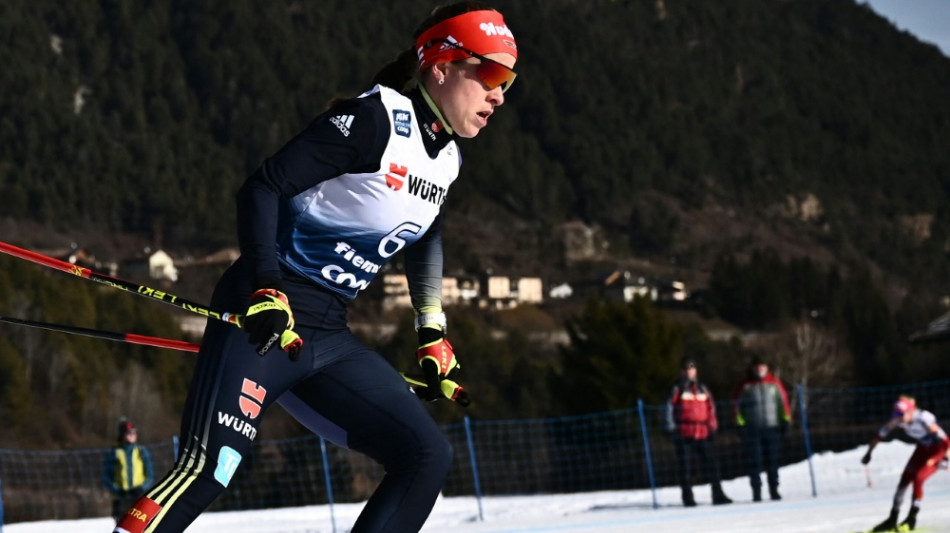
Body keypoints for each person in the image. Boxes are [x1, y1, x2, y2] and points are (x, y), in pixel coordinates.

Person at [111, 3, 517, 533]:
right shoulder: (373, 121)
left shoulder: (448, 159)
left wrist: (432, 329)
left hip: (327, 332)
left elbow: (426, 232)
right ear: (440, 65)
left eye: (508, 79)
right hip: (265, 312)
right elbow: (263, 186)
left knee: (427, 456)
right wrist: (266, 288)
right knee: (208, 468)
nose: (499, 94)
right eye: (489, 73)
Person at [863, 395, 950, 532]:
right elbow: (879, 435)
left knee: (918, 478)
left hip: (937, 451)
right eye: (896, 413)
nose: (898, 417)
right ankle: (892, 518)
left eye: (900, 414)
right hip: (922, 450)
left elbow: (945, 440)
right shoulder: (898, 420)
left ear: (910, 412)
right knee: (904, 480)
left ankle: (911, 518)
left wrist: (944, 458)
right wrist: (869, 453)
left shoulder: (923, 418)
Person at [664, 357, 732, 507]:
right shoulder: (677, 389)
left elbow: (711, 408)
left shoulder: (703, 388)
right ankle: (688, 498)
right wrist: (670, 428)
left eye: (692, 368)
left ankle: (718, 494)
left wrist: (712, 426)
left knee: (712, 465)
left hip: (703, 431)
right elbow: (669, 408)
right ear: (682, 371)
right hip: (683, 432)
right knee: (685, 467)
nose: (690, 371)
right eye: (687, 368)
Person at [731, 356, 791, 502]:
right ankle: (756, 492)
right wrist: (740, 424)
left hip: (772, 427)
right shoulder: (745, 385)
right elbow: (737, 407)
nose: (759, 370)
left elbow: (783, 403)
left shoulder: (774, 383)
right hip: (752, 429)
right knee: (754, 462)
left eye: (762, 366)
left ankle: (774, 490)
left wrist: (786, 421)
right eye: (757, 367)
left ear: (767, 368)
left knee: (773, 461)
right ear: (752, 369)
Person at [103, 419, 154, 523]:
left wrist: (141, 488)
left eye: (134, 432)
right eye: (129, 433)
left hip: (139, 497)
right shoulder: (114, 452)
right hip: (121, 498)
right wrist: (117, 490)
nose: (132, 435)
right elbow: (106, 477)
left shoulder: (141, 451)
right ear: (122, 435)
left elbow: (150, 475)